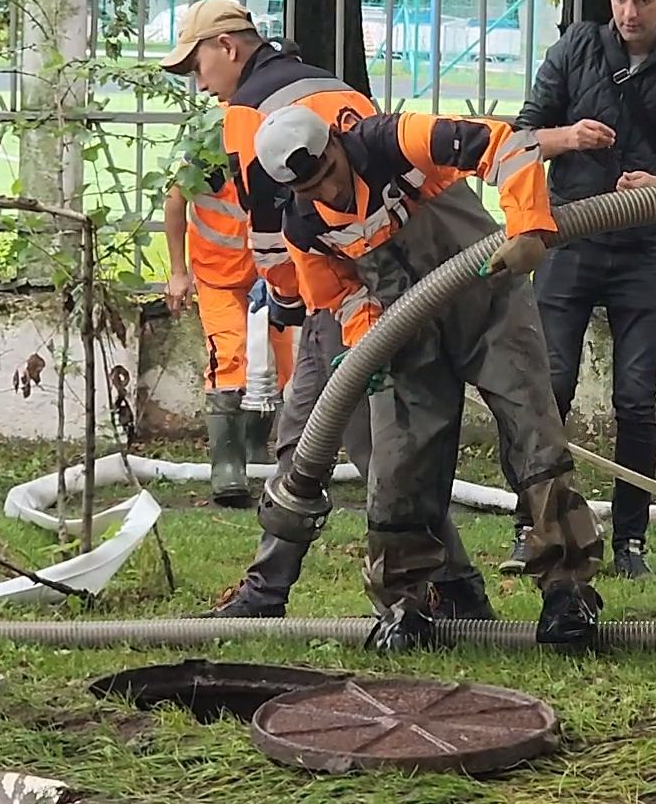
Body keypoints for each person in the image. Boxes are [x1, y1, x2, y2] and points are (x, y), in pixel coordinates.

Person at [158, 0, 494, 622]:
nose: (198, 81)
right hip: (405, 287)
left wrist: (289, 306)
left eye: (197, 63)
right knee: (383, 454)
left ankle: (267, 593)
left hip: (338, 298)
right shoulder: (329, 87)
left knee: (306, 442)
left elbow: (273, 231)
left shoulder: (247, 115)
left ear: (228, 47)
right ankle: (460, 589)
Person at [251, 101, 607, 651]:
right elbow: (338, 294)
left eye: (327, 174)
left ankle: (567, 593)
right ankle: (406, 606)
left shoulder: (399, 141)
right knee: (399, 464)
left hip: (489, 304)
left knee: (533, 434)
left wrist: (529, 225)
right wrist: (366, 339)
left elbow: (506, 145)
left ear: (337, 145)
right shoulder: (303, 222)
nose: (326, 192)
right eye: (310, 189)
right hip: (405, 332)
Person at [508, 0, 656, 579]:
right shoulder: (575, 50)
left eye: (641, 1)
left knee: (635, 399)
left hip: (644, 249)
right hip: (569, 240)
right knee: (549, 388)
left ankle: (631, 540)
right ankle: (535, 528)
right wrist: (568, 137)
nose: (628, 13)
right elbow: (520, 140)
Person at [163, 112, 294, 507]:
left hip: (269, 275)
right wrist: (177, 272)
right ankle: (227, 467)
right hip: (217, 277)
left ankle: (257, 449)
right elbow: (174, 206)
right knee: (230, 358)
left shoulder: (273, 156)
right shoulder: (202, 158)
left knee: (283, 364)